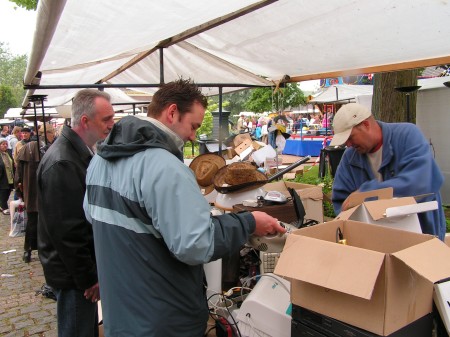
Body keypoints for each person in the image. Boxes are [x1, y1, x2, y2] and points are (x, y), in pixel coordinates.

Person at [83, 79, 285, 336]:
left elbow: (93, 216)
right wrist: (249, 222)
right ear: (172, 112)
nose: (193, 135)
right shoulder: (165, 166)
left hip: (120, 315)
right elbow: (195, 243)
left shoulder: (99, 161)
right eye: (193, 126)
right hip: (163, 320)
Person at [37, 89, 115, 337]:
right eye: (106, 119)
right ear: (85, 121)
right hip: (73, 277)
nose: (111, 125)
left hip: (75, 273)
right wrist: (89, 278)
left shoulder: (75, 153)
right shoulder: (64, 161)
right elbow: (68, 231)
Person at [330, 103, 446, 240]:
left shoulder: (407, 135)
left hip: (423, 235)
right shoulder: (349, 157)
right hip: (376, 240)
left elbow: (421, 183)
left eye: (350, 137)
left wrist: (367, 194)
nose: (348, 145)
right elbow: (341, 200)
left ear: (366, 125)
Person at [0, 138, 14, 215]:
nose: (5, 145)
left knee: (8, 191)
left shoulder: (7, 153)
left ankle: (2, 205)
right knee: (3, 192)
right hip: (2, 177)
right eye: (3, 144)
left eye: (6, 144)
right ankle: (4, 207)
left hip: (9, 176)